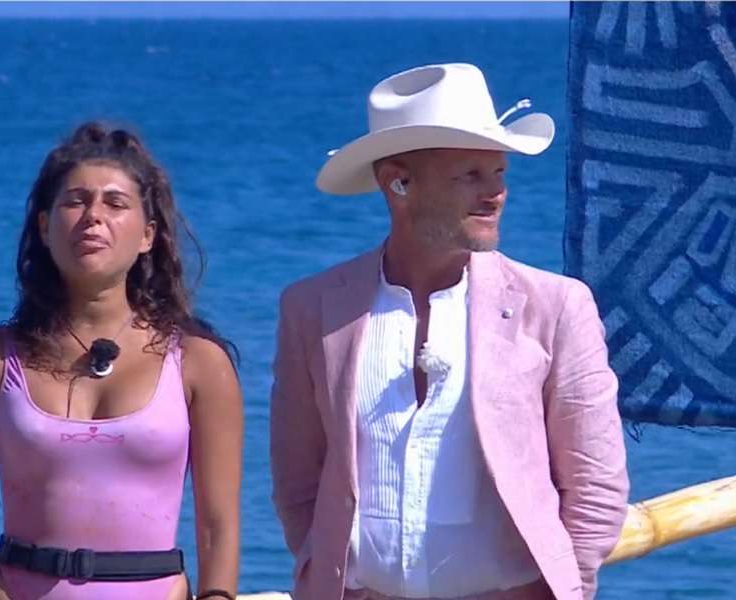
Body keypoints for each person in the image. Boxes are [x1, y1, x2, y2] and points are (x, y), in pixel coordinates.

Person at [269, 63, 629, 600]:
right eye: (471, 175)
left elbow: (596, 486)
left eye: (499, 172)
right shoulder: (313, 309)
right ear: (398, 183)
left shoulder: (555, 307)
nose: (495, 193)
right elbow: (298, 484)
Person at [0, 122, 243, 600]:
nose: (93, 217)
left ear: (148, 235)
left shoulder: (199, 363)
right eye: (75, 201)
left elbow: (218, 528)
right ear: (44, 226)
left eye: (115, 204)